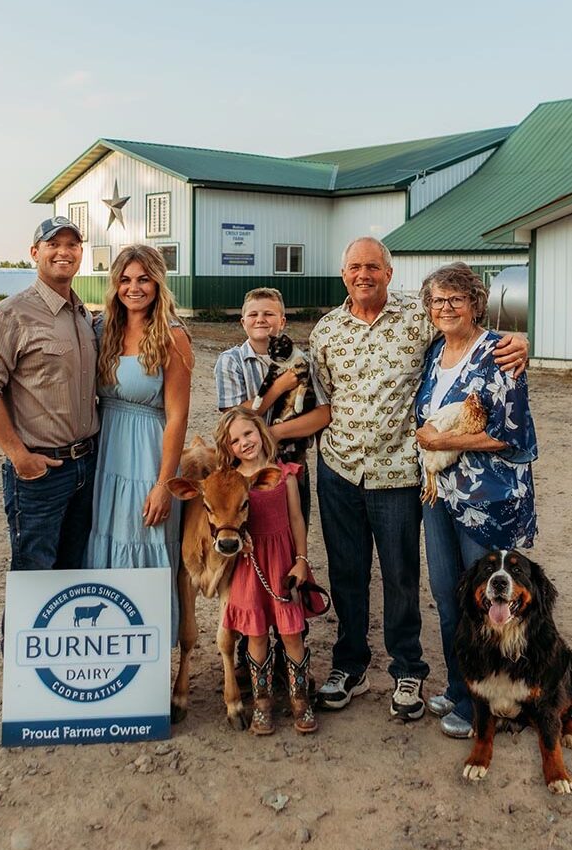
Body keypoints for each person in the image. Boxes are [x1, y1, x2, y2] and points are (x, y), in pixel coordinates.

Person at [309, 237, 530, 720]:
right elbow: (323, 402)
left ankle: (408, 667)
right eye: (353, 267)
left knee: (402, 577)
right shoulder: (325, 331)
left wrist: (520, 341)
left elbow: (472, 336)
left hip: (399, 476)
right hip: (340, 470)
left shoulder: (417, 319)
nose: (362, 274)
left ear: (389, 273)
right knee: (346, 574)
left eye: (372, 266)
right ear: (343, 274)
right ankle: (349, 666)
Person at [415, 262, 538, 738]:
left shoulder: (499, 354)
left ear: (475, 304)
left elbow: (514, 434)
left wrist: (447, 444)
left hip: (485, 502)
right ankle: (461, 686)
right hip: (439, 496)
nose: (445, 308)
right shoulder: (434, 354)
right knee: (450, 598)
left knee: (490, 603)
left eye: (455, 300)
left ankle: (485, 704)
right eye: (437, 301)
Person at [0, 216, 98, 572]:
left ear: (80, 253)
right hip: (42, 472)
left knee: (73, 571)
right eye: (53, 244)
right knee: (34, 574)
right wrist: (18, 455)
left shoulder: (83, 314)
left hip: (87, 465)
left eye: (72, 245)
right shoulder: (13, 314)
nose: (63, 252)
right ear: (34, 252)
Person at [85, 246, 193, 645]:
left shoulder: (173, 335)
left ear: (158, 282)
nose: (134, 288)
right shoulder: (103, 329)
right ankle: (109, 653)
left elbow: (178, 416)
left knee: (144, 545)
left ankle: (150, 664)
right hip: (107, 455)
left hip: (148, 455)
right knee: (106, 543)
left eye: (143, 279)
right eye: (126, 279)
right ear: (115, 284)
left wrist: (164, 484)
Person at [214, 407, 320, 735]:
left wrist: (301, 559)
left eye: (248, 433)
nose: (244, 442)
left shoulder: (284, 475)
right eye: (234, 440)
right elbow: (221, 521)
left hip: (282, 564)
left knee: (291, 633)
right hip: (250, 567)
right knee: (256, 636)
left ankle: (300, 699)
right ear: (227, 448)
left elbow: (297, 519)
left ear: (261, 432)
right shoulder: (230, 482)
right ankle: (262, 704)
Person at [214, 286, 330, 525]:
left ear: (283, 321)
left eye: (269, 314)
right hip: (243, 466)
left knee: (292, 527)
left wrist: (273, 434)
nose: (260, 319)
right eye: (253, 314)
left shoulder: (302, 360)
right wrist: (278, 387)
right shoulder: (231, 361)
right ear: (242, 322)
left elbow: (322, 414)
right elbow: (234, 420)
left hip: (290, 461)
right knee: (248, 531)